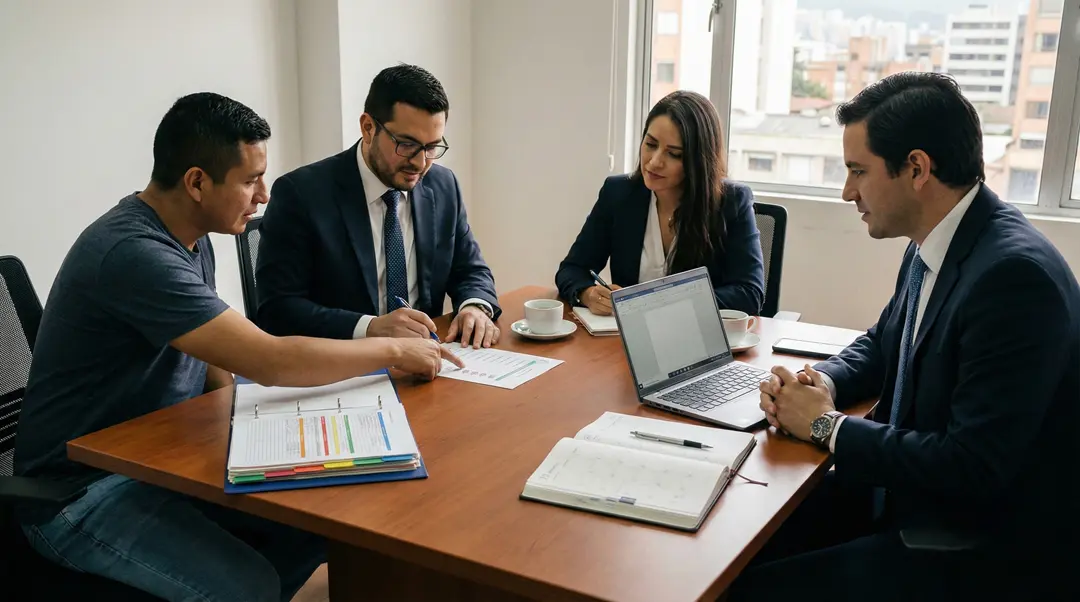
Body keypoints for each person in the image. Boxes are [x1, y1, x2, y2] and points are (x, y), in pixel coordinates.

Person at [14, 92, 463, 602]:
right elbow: (268, 358)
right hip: (78, 493)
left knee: (321, 525)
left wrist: (246, 424)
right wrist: (394, 351)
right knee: (249, 587)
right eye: (250, 180)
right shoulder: (134, 254)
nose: (264, 195)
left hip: (160, 457)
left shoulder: (191, 235)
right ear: (197, 182)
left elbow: (212, 354)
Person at [731, 73, 1079, 601]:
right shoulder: (935, 242)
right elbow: (883, 341)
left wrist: (825, 426)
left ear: (916, 168)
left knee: (743, 587)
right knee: (737, 539)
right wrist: (820, 379)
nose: (848, 192)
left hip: (975, 545)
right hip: (912, 497)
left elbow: (971, 465)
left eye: (858, 171)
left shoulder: (1013, 278)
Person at [256, 64, 501, 349]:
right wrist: (370, 328)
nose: (421, 164)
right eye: (407, 145)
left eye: (432, 147)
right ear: (368, 127)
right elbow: (277, 310)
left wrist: (474, 306)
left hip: (424, 362)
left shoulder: (443, 186)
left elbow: (470, 269)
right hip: (341, 367)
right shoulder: (301, 194)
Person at [555, 90, 764, 317]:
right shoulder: (618, 193)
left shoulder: (731, 201)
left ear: (697, 161)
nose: (654, 162)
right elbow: (572, 269)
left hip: (697, 337)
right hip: (625, 340)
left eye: (673, 154)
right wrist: (588, 293)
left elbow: (749, 293)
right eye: (651, 144)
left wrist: (658, 301)